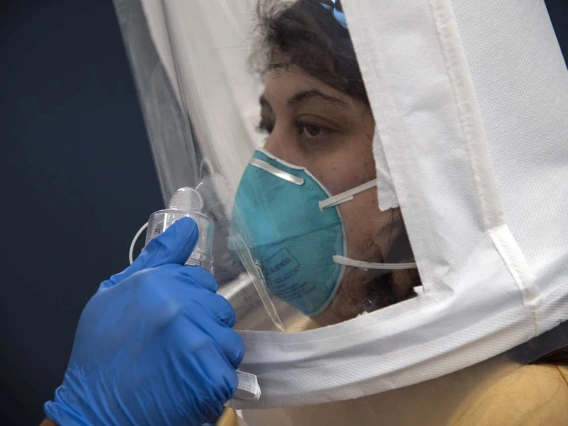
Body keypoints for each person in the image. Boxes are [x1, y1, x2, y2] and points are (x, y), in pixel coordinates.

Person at [42, 1, 568, 425]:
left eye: (313, 126)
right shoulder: (276, 378)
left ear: (428, 167)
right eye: (268, 125)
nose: (263, 168)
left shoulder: (522, 408)